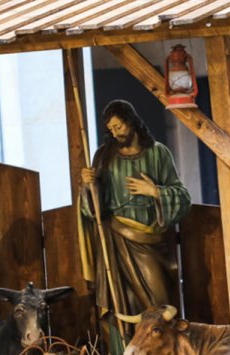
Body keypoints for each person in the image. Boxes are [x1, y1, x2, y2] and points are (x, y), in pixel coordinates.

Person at [79, 100, 191, 339]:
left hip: (151, 241)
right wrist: (89, 186)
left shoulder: (158, 153)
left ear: (131, 121)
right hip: (116, 242)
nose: (115, 133)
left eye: (119, 126)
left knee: (160, 303)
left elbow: (183, 197)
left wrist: (155, 192)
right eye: (111, 129)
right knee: (123, 305)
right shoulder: (104, 156)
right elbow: (94, 211)